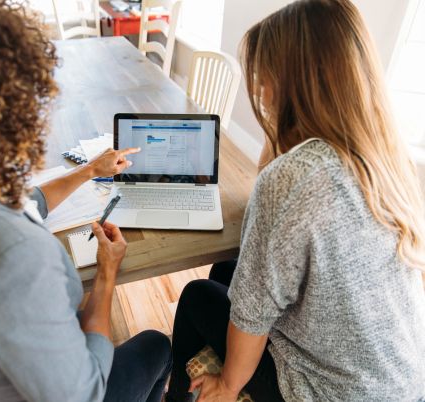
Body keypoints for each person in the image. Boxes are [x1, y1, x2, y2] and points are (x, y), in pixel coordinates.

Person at [0, 1, 171, 401]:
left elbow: (26, 202)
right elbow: (85, 394)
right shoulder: (16, 256)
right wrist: (107, 275)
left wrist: (89, 170)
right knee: (157, 345)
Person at [165, 0, 425, 401]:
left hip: (331, 393)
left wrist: (229, 384)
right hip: (400, 382)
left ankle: (185, 396)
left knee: (197, 296)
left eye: (263, 77)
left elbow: (251, 317)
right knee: (224, 270)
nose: (259, 91)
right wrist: (281, 129)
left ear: (289, 82)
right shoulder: (384, 157)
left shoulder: (292, 179)